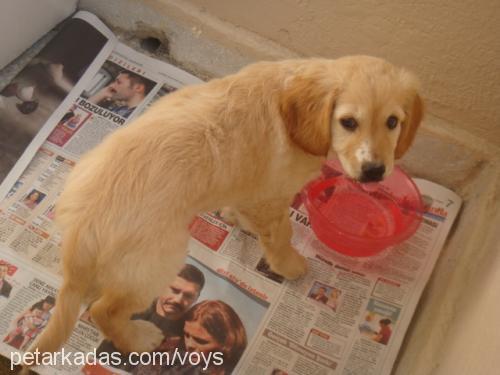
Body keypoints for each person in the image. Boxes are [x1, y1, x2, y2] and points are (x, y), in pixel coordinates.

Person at [97, 264, 205, 369]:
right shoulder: (131, 307)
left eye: (189, 296)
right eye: (174, 290)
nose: (178, 300)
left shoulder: (192, 334)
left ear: (196, 299)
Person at [142, 300, 247, 375]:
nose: (189, 345)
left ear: (226, 344)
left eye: (200, 341)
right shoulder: (168, 354)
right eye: (187, 335)